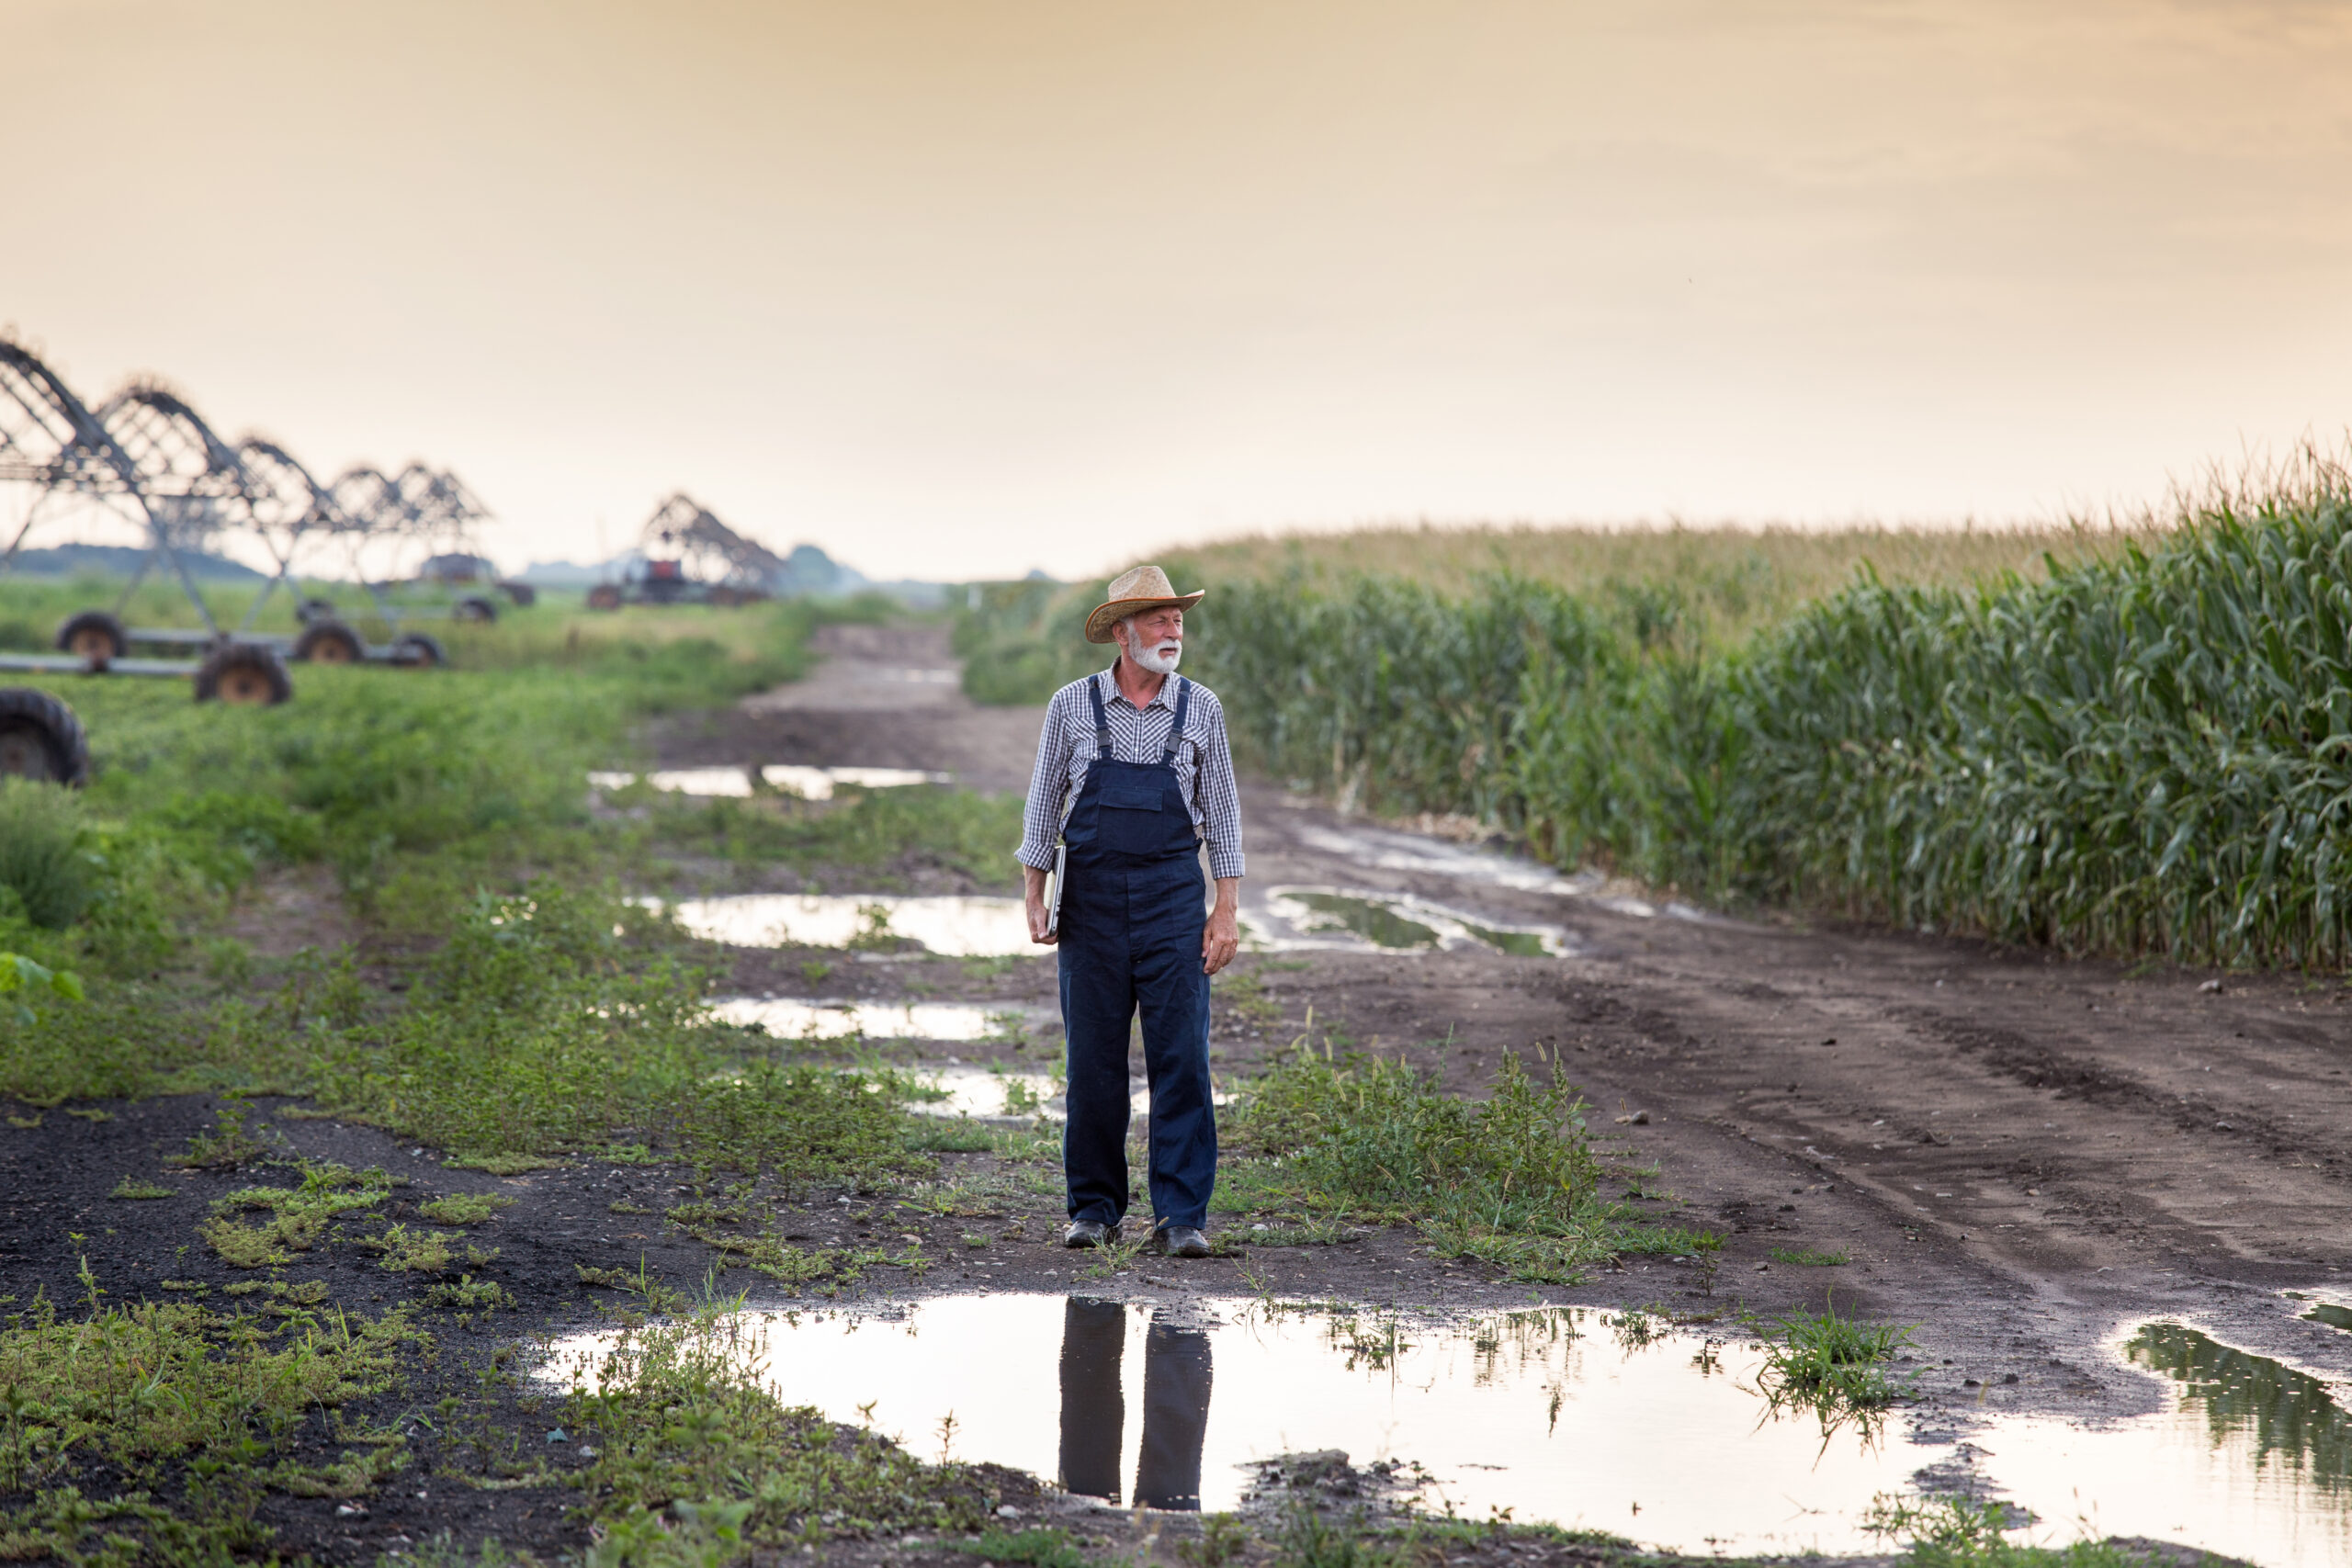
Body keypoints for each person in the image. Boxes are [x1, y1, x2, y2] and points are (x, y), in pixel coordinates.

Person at [1018, 564, 1244, 1259]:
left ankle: (1181, 1217)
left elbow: (1223, 813)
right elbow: (1043, 801)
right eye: (1157, 619)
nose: (1173, 630)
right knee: (1093, 1062)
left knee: (1182, 1059)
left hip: (1173, 900)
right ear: (1122, 632)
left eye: (1177, 619)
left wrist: (1225, 909)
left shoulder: (1201, 707)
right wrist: (1034, 890)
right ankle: (1094, 1209)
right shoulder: (1071, 705)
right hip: (1089, 903)